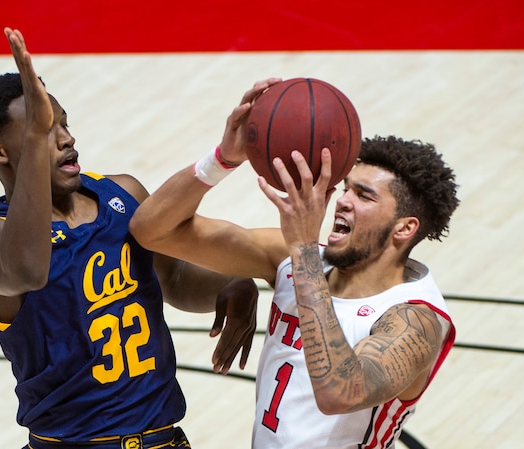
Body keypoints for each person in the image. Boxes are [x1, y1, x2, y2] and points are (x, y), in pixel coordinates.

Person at [0, 28, 258, 449]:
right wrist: (33, 132)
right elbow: (26, 270)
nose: (66, 138)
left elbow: (173, 280)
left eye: (63, 122)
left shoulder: (124, 194)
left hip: (163, 439)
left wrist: (229, 284)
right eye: (44, 131)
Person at [129, 79, 460, 448]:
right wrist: (223, 159)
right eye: (346, 187)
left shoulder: (416, 318)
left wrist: (303, 246)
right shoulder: (289, 258)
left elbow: (341, 393)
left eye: (363, 195)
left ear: (404, 228)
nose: (343, 201)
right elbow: (151, 230)